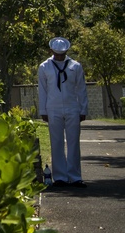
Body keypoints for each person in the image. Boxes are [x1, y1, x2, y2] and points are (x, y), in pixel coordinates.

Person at [38, 37, 88, 188]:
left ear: (67, 51)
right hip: (53, 107)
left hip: (72, 107)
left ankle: (75, 176)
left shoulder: (75, 66)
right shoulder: (44, 67)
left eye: (62, 54)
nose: (59, 56)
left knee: (73, 142)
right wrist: (43, 110)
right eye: (57, 53)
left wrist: (83, 108)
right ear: (51, 51)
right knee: (56, 141)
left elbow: (81, 88)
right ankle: (60, 176)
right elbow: (42, 90)